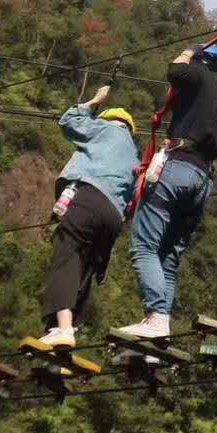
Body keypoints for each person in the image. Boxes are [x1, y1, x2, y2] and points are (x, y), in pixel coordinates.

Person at [119, 42, 217, 339]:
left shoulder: (198, 77)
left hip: (177, 168)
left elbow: (175, 70)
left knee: (144, 246)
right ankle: (160, 324)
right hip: (202, 181)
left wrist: (189, 51)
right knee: (168, 256)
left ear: (202, 62)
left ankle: (155, 316)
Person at [38, 85, 139, 349]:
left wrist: (95, 101)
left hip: (90, 198)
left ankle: (61, 328)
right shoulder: (133, 156)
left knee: (66, 254)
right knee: (84, 269)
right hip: (114, 217)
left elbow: (70, 121)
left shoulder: (105, 130)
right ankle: (66, 328)